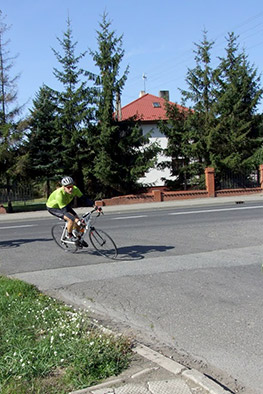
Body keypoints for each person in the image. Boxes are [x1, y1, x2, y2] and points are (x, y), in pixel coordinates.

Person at [46, 176, 92, 246]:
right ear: (63, 187)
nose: (70, 189)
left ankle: (78, 238)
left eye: (71, 187)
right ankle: (70, 235)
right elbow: (65, 211)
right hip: (54, 208)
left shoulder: (75, 189)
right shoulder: (59, 194)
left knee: (78, 220)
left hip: (64, 204)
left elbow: (84, 199)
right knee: (71, 219)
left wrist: (95, 206)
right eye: (68, 187)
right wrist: (76, 220)